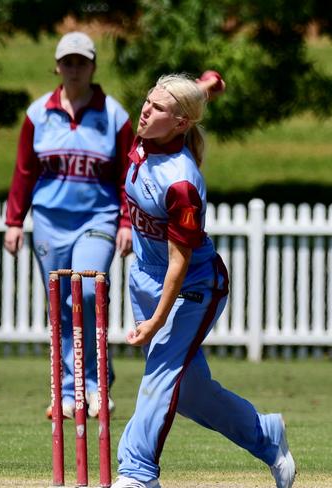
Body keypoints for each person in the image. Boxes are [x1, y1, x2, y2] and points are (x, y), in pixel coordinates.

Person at [110, 73, 296, 488]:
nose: (145, 110)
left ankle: (137, 473)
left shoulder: (181, 183)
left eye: (157, 108)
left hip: (193, 287)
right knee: (190, 394)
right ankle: (265, 436)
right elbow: (183, 105)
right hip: (144, 277)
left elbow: (179, 264)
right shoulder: (145, 140)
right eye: (147, 101)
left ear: (179, 123)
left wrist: (156, 322)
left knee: (162, 370)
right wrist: (207, 85)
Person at [4, 31, 135, 419]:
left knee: (89, 291)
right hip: (48, 220)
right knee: (59, 305)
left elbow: (127, 173)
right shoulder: (37, 114)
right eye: (68, 62)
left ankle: (96, 384)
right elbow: (25, 171)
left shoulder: (114, 115)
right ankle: (64, 391)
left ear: (93, 66)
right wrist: (14, 221)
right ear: (57, 66)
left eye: (82, 62)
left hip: (99, 217)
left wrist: (127, 220)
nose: (74, 69)